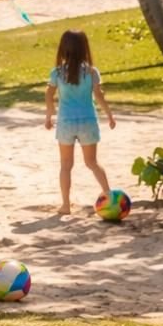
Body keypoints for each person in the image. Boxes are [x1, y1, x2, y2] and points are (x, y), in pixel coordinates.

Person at [45, 29, 116, 215]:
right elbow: (99, 96)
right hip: (88, 122)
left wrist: (49, 115)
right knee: (92, 162)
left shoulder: (57, 73)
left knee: (66, 165)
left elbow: (49, 94)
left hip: (66, 123)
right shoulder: (92, 72)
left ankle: (66, 205)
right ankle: (109, 195)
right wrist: (109, 115)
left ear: (62, 49)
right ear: (85, 49)